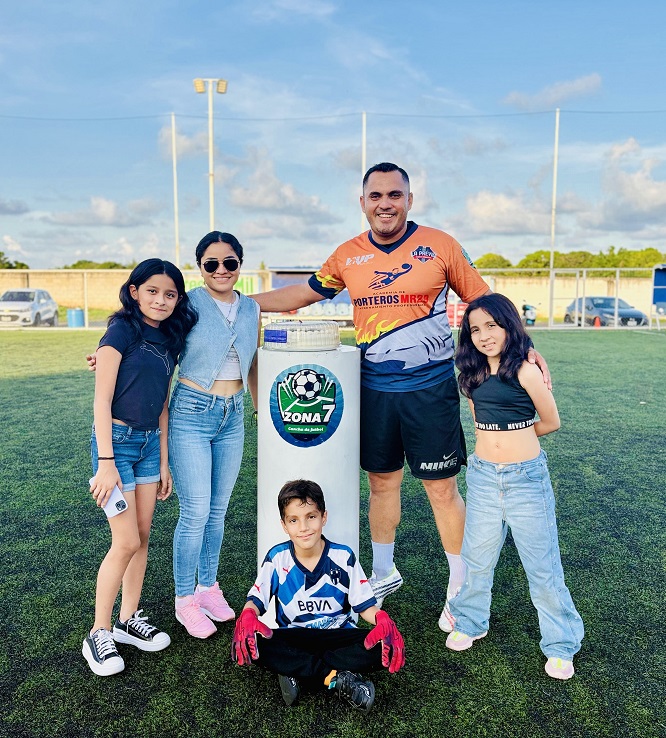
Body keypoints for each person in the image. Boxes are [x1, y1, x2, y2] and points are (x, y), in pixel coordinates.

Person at [252, 162, 548, 627]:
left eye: (394, 194)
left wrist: (523, 345)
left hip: (431, 390)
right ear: (362, 202)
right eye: (376, 195)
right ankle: (384, 572)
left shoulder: (440, 245)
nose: (385, 203)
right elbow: (304, 294)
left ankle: (460, 585)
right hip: (374, 390)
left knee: (442, 489)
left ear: (409, 199)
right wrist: (238, 304)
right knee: (381, 483)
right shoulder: (348, 255)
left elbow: (485, 302)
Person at [445, 293, 584, 680]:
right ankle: (471, 622)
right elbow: (479, 424)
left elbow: (551, 421)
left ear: (509, 325)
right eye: (475, 329)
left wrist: (517, 435)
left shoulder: (526, 370)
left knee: (542, 567)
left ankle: (561, 644)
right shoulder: (471, 375)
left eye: (492, 325)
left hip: (526, 480)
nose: (484, 335)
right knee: (477, 559)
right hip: (483, 478)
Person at [83, 258, 197, 676]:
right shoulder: (120, 330)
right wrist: (106, 463)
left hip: (149, 446)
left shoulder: (170, 338)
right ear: (134, 291)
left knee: (143, 536)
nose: (161, 300)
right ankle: (98, 632)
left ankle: (128, 620)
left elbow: (162, 403)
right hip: (115, 445)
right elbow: (101, 400)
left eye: (170, 294)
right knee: (126, 540)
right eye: (152, 291)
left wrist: (164, 461)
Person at [231, 479, 405, 711]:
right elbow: (256, 601)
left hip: (338, 634)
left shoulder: (343, 557)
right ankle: (335, 677)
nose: (303, 527)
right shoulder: (277, 557)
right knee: (255, 642)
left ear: (324, 517)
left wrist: (381, 619)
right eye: (294, 520)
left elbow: (364, 606)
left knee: (385, 646)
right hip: (296, 636)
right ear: (284, 525)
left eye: (311, 517)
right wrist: (248, 615)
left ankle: (296, 669)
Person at [168, 231, 261, 638]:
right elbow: (152, 340)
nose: (221, 270)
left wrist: (257, 407)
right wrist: (108, 352)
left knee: (218, 510)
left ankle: (208, 588)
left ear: (240, 264)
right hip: (190, 412)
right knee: (196, 512)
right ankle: (184, 600)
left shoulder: (251, 308)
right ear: (200, 267)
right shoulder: (187, 303)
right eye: (211, 264)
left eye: (229, 262)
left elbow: (252, 362)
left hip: (233, 414)